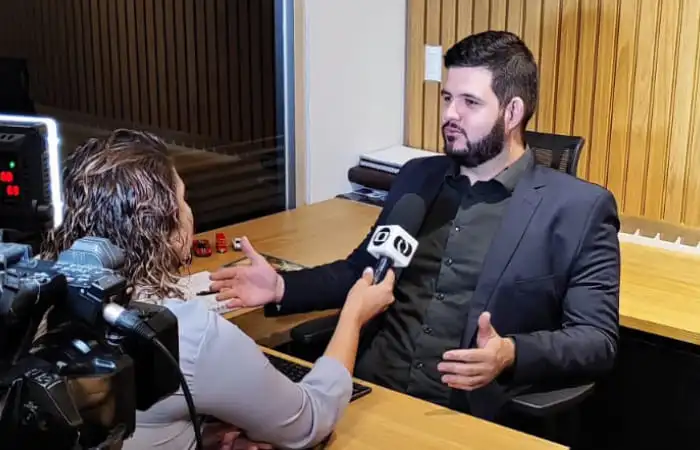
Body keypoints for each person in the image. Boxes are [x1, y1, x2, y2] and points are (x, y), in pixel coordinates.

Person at [209, 30, 621, 424]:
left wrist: (510, 352)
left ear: (512, 112)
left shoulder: (578, 209)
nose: (449, 115)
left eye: (469, 103)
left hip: (460, 415)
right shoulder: (417, 179)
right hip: (365, 390)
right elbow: (362, 272)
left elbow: (596, 339)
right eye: (446, 98)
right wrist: (281, 288)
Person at [42, 129, 396, 450]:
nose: (188, 210)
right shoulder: (185, 333)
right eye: (182, 198)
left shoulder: (38, 300)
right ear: (161, 224)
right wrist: (353, 316)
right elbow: (309, 422)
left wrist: (193, 437)